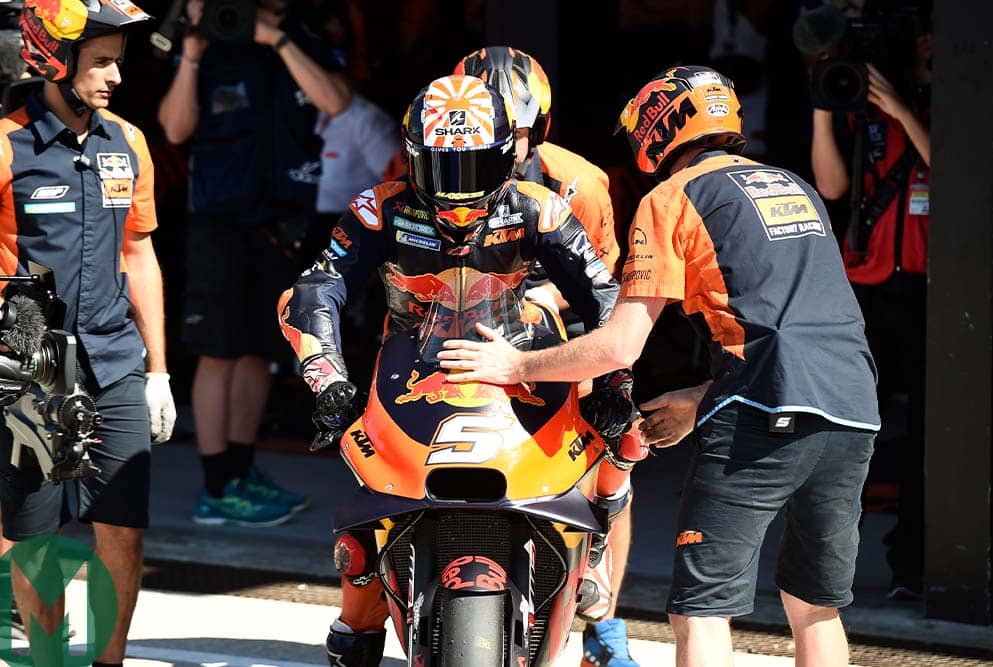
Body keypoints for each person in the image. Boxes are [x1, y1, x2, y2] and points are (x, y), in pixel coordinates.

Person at [438, 65, 880, 667]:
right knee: (814, 605)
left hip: (762, 411)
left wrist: (516, 364)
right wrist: (703, 397)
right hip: (855, 407)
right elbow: (797, 329)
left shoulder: (671, 198)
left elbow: (621, 345)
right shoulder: (791, 184)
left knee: (700, 610)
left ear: (660, 125)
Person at [277, 74, 633, 667]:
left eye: (472, 170)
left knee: (625, 433)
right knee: (370, 506)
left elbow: (605, 294)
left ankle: (591, 547)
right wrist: (327, 380)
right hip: (411, 367)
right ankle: (358, 619)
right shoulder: (379, 207)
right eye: (443, 169)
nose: (456, 191)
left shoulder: (539, 207)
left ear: (507, 156)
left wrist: (615, 386)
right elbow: (317, 286)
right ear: (414, 159)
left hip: (516, 359)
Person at [0, 0, 176, 664]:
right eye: (101, 63)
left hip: (115, 360)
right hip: (28, 369)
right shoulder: (5, 145)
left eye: (118, 64)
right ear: (55, 58)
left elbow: (139, 256)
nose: (115, 78)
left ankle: (110, 660)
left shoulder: (128, 143)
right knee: (36, 538)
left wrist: (157, 370)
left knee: (123, 531)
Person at [454, 45, 638, 667]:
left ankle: (605, 629)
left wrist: (538, 297)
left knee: (610, 453)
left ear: (534, 127)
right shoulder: (429, 160)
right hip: (465, 335)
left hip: (559, 341)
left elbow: (605, 285)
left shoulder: (580, 182)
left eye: (508, 127)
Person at [158, 0, 351, 526]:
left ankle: (240, 470)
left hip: (282, 224)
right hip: (218, 222)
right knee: (218, 351)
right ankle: (216, 484)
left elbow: (336, 102)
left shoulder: (301, 35)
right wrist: (193, 53)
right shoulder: (210, 44)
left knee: (260, 352)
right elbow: (174, 130)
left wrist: (278, 40)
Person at [809, 2, 932, 601]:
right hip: (868, 286)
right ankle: (832, 566)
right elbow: (830, 186)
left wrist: (904, 111)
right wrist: (826, 104)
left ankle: (913, 565)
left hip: (934, 289)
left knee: (931, 433)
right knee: (852, 426)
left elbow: (956, 173)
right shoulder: (856, 106)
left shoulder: (946, 101)